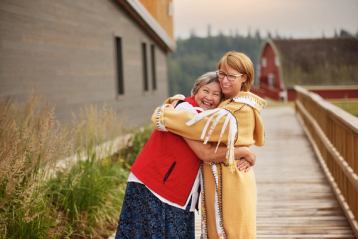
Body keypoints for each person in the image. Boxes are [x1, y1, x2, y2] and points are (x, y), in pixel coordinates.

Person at [115, 72, 256, 239]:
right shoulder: (185, 112)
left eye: (216, 94)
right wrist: (244, 152)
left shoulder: (206, 120)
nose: (209, 97)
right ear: (195, 91)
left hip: (175, 191)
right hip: (153, 185)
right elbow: (206, 153)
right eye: (205, 91)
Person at [152, 51, 266, 239]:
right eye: (221, 73)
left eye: (231, 76)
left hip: (231, 180)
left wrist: (167, 112)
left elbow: (198, 126)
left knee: (232, 232)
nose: (224, 81)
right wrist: (245, 151)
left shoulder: (237, 109)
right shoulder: (228, 103)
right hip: (225, 178)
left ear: (244, 78)